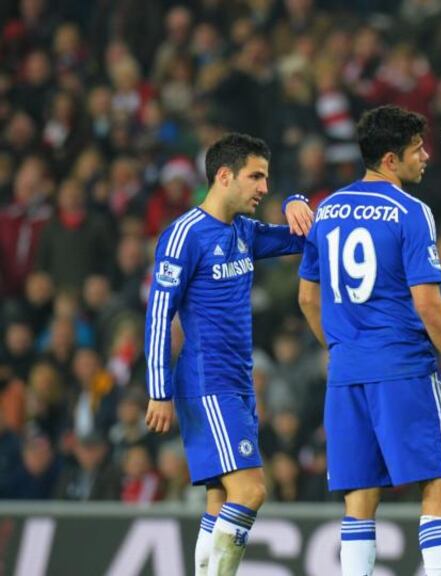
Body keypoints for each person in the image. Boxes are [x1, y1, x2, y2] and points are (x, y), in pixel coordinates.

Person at [296, 105, 441, 576]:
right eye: (416, 149)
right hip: (403, 367)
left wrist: (343, 349)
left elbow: (308, 300)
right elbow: (429, 306)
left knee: (360, 494)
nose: (426, 156)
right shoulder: (411, 212)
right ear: (391, 161)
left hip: (346, 374)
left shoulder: (327, 209)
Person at [143, 133, 314, 576]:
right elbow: (160, 315)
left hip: (237, 383)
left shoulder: (243, 230)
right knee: (252, 490)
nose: (263, 187)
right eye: (255, 177)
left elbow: (300, 239)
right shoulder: (184, 236)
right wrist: (158, 391)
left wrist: (298, 200)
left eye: (267, 178)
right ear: (224, 176)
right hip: (208, 381)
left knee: (220, 497)